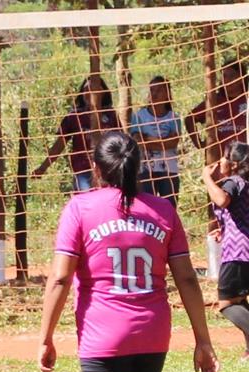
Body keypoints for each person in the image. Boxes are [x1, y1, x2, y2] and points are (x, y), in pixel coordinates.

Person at [38, 131, 220, 372]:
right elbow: (185, 277)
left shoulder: (80, 208)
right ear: (139, 167)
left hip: (104, 334)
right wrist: (203, 339)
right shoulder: (163, 210)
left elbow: (60, 276)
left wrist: (46, 336)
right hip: (152, 332)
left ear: (95, 167)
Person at [185, 59, 248, 278]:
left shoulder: (246, 100)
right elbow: (191, 118)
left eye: (231, 76)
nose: (227, 81)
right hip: (221, 166)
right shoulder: (215, 101)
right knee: (217, 211)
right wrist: (200, 144)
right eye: (224, 76)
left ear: (242, 78)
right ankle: (216, 267)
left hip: (244, 166)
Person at [202, 142, 249, 361]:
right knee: (240, 300)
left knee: (227, 303)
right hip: (244, 248)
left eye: (223, 157)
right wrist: (225, 228)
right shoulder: (245, 182)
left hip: (238, 252)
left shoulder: (233, 182)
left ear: (232, 163)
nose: (219, 161)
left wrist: (207, 178)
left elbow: (222, 199)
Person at [33, 76, 120, 192]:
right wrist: (43, 167)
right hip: (83, 171)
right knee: (86, 204)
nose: (90, 93)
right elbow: (60, 144)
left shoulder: (111, 115)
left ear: (103, 92)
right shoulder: (74, 117)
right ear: (82, 93)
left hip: (108, 170)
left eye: (95, 90)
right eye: (87, 89)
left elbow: (121, 142)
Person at [130, 76, 183, 207]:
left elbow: (172, 143)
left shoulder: (173, 117)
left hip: (169, 171)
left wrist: (147, 138)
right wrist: (161, 141)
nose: (154, 93)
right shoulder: (139, 116)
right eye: (152, 90)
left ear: (167, 94)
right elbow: (137, 141)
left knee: (169, 208)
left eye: (159, 90)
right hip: (145, 171)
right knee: (147, 209)